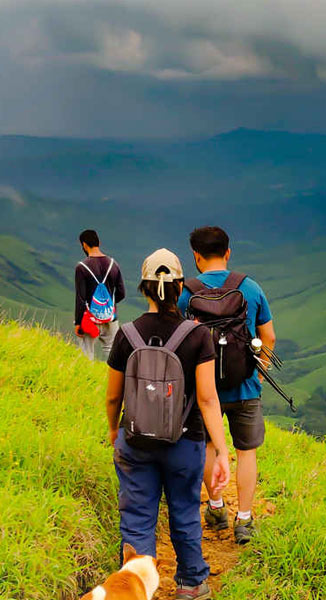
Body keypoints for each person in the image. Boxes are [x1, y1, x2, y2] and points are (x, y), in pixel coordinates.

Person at [106, 248, 230, 600]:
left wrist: (116, 431)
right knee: (185, 513)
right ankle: (191, 583)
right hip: (185, 442)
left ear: (144, 289)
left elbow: (114, 397)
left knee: (137, 517)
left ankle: (133, 590)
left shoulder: (126, 335)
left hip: (136, 441)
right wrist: (221, 451)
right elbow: (207, 399)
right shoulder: (197, 335)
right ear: (180, 288)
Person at [178, 226, 276, 545]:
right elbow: (269, 337)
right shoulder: (250, 288)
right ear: (228, 252)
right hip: (245, 386)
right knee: (246, 453)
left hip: (203, 391)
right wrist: (258, 373)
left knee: (208, 447)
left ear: (196, 256)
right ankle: (244, 520)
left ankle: (217, 508)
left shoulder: (186, 293)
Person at [75, 229, 126, 360]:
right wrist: (108, 306)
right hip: (111, 318)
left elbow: (80, 298)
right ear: (99, 242)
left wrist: (78, 322)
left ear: (84, 245)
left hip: (89, 319)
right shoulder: (114, 264)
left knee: (86, 355)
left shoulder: (81, 267)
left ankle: (87, 380)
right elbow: (121, 293)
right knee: (113, 356)